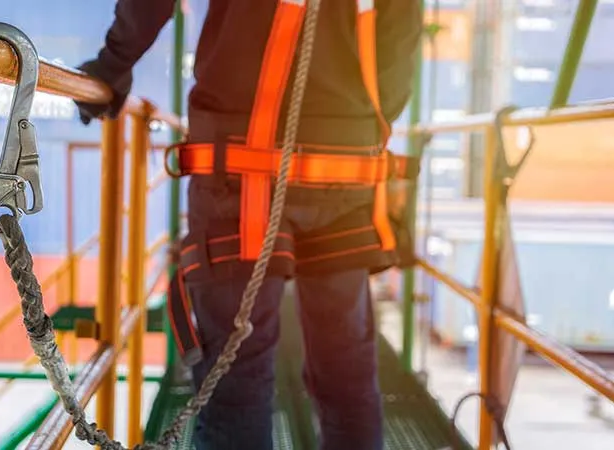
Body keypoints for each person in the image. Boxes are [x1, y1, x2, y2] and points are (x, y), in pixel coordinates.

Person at [74, 1, 423, 449]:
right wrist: (357, 116)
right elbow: (402, 25)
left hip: (241, 167)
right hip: (344, 167)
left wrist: (112, 65)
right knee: (346, 372)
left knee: (237, 380)